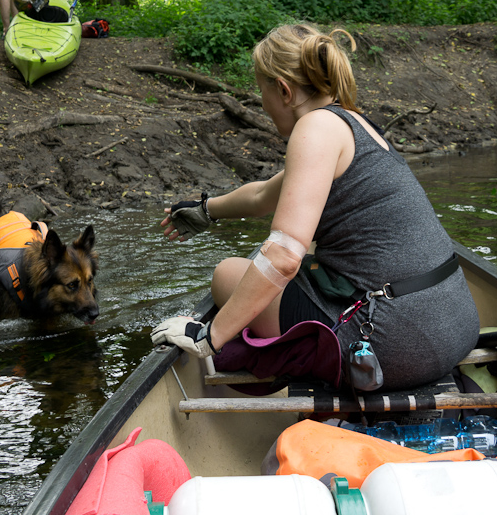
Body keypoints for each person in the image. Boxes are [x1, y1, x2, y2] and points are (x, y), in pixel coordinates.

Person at [150, 24, 479, 391]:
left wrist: (208, 336)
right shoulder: (351, 122)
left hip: (394, 343)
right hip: (455, 326)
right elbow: (262, 196)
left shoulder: (315, 128)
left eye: (262, 91)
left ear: (284, 90)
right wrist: (207, 209)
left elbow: (284, 256)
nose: (263, 103)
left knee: (228, 275)